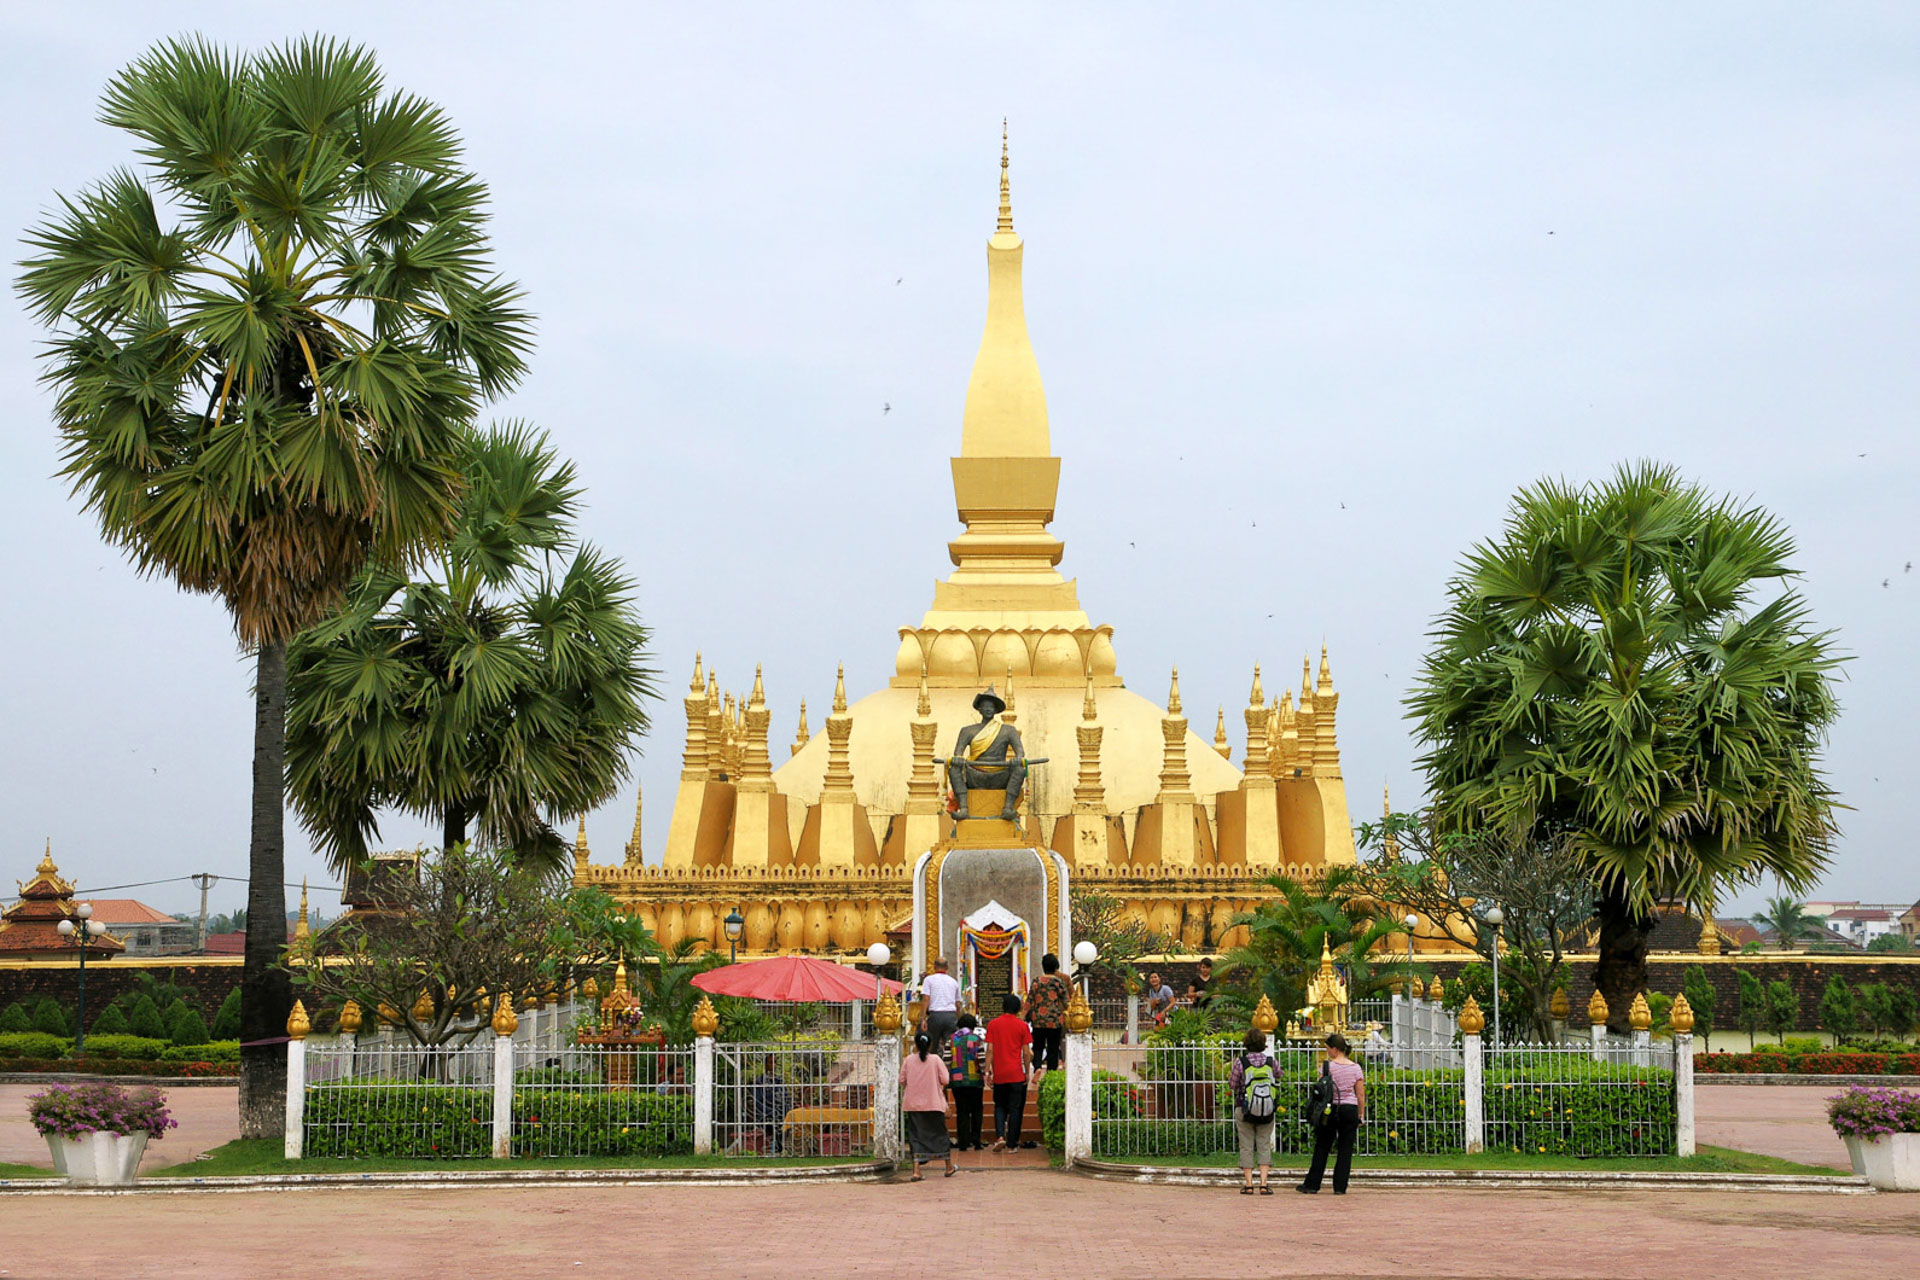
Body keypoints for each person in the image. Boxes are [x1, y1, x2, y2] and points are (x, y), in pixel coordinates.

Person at [1298, 1033, 1365, 1195]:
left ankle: (1312, 1184)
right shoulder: (1356, 1068)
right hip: (1349, 1109)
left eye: (1328, 1049)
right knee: (1345, 1149)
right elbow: (1360, 1095)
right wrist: (1360, 1114)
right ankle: (1340, 1186)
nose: (1327, 1052)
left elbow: (1321, 1090)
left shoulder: (1327, 1067)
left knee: (1322, 1146)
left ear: (1335, 1049)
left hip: (1330, 1108)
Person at [899, 1031, 957, 1180]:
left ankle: (916, 1170)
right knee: (940, 1134)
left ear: (916, 1045)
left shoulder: (909, 1060)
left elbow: (901, 1080)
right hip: (933, 1103)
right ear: (931, 1044)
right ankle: (948, 1166)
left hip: (913, 1105)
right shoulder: (936, 1059)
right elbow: (945, 1079)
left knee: (916, 1136)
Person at [1228, 1029, 1277, 1194]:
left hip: (1244, 1107)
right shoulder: (1271, 1061)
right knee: (1264, 1145)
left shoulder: (1240, 1062)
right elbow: (1279, 1075)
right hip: (1267, 1110)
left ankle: (1249, 1184)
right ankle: (1264, 1183)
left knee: (1246, 1145)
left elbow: (1233, 1084)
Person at [984, 992, 1033, 1151]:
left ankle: (1000, 1136)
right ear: (1018, 1008)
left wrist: (987, 1071)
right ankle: (1012, 1144)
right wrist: (1027, 1072)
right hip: (1016, 1073)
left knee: (999, 1106)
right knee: (1015, 1109)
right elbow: (1026, 1052)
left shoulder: (993, 1024)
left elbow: (990, 1050)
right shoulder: (1022, 1026)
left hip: (1000, 1073)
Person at [1023, 953, 1073, 1080]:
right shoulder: (1059, 982)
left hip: (1038, 1019)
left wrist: (1022, 1017)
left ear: (1043, 967)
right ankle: (1051, 1074)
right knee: (1053, 1048)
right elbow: (1067, 1001)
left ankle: (1038, 1067)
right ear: (1056, 967)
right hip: (1055, 1020)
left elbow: (1029, 1001)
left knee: (1038, 1046)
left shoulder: (1036, 982)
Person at [948, 1013, 988, 1150]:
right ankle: (976, 1140)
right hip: (975, 1080)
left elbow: (947, 1060)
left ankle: (963, 1142)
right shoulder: (976, 1039)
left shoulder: (952, 1039)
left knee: (962, 1110)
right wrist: (985, 1073)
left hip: (957, 1081)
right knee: (977, 1110)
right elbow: (981, 1060)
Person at [922, 956, 962, 1054]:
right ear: (947, 967)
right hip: (950, 1016)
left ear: (934, 966)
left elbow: (926, 999)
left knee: (932, 1046)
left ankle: (933, 1067)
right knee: (951, 1047)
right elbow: (958, 1004)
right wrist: (956, 1018)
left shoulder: (929, 980)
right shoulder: (953, 982)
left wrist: (923, 1018)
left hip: (935, 1016)